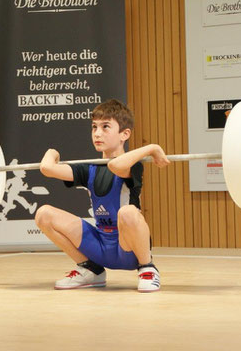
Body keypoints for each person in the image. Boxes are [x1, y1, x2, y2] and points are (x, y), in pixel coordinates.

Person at [35, 99, 170, 292]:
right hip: (100, 245)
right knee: (44, 214)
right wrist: (52, 151)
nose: (97, 133)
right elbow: (47, 168)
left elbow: (116, 165)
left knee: (128, 212)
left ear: (125, 134)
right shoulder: (89, 169)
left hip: (129, 249)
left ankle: (147, 268)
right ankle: (90, 269)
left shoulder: (134, 165)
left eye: (105, 127)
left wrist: (152, 148)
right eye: (94, 127)